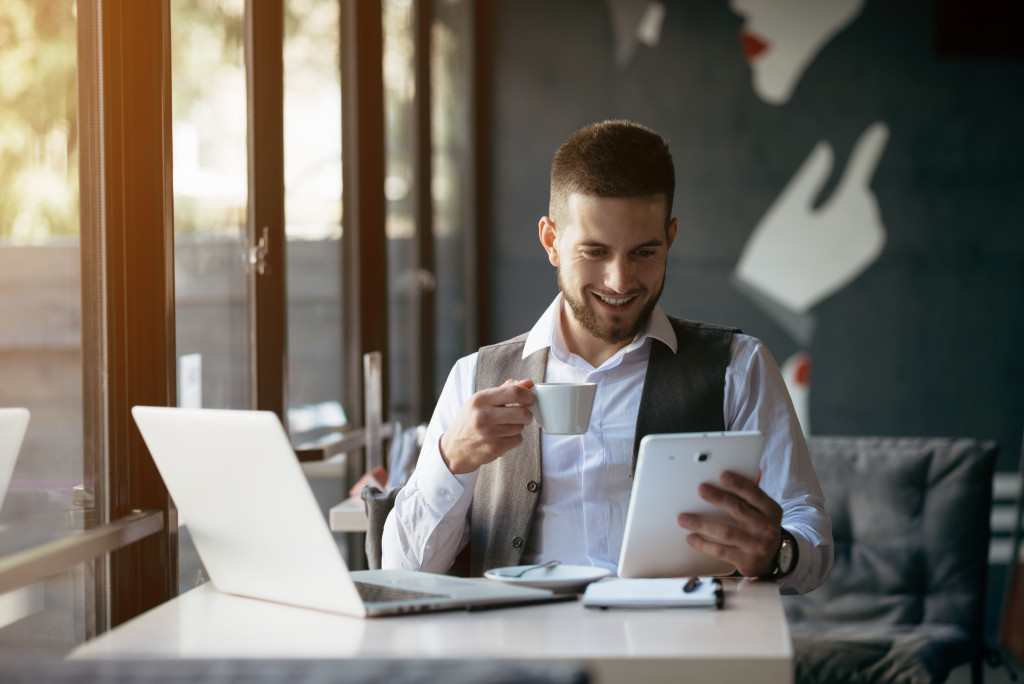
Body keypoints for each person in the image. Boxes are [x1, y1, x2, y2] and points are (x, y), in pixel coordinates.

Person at [382, 119, 832, 594]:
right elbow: (403, 574)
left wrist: (778, 552)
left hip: (676, 652)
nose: (620, 281)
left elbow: (811, 536)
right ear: (552, 241)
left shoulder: (739, 368)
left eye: (643, 252)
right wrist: (450, 462)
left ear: (671, 238)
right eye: (594, 251)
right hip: (524, 655)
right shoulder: (474, 377)